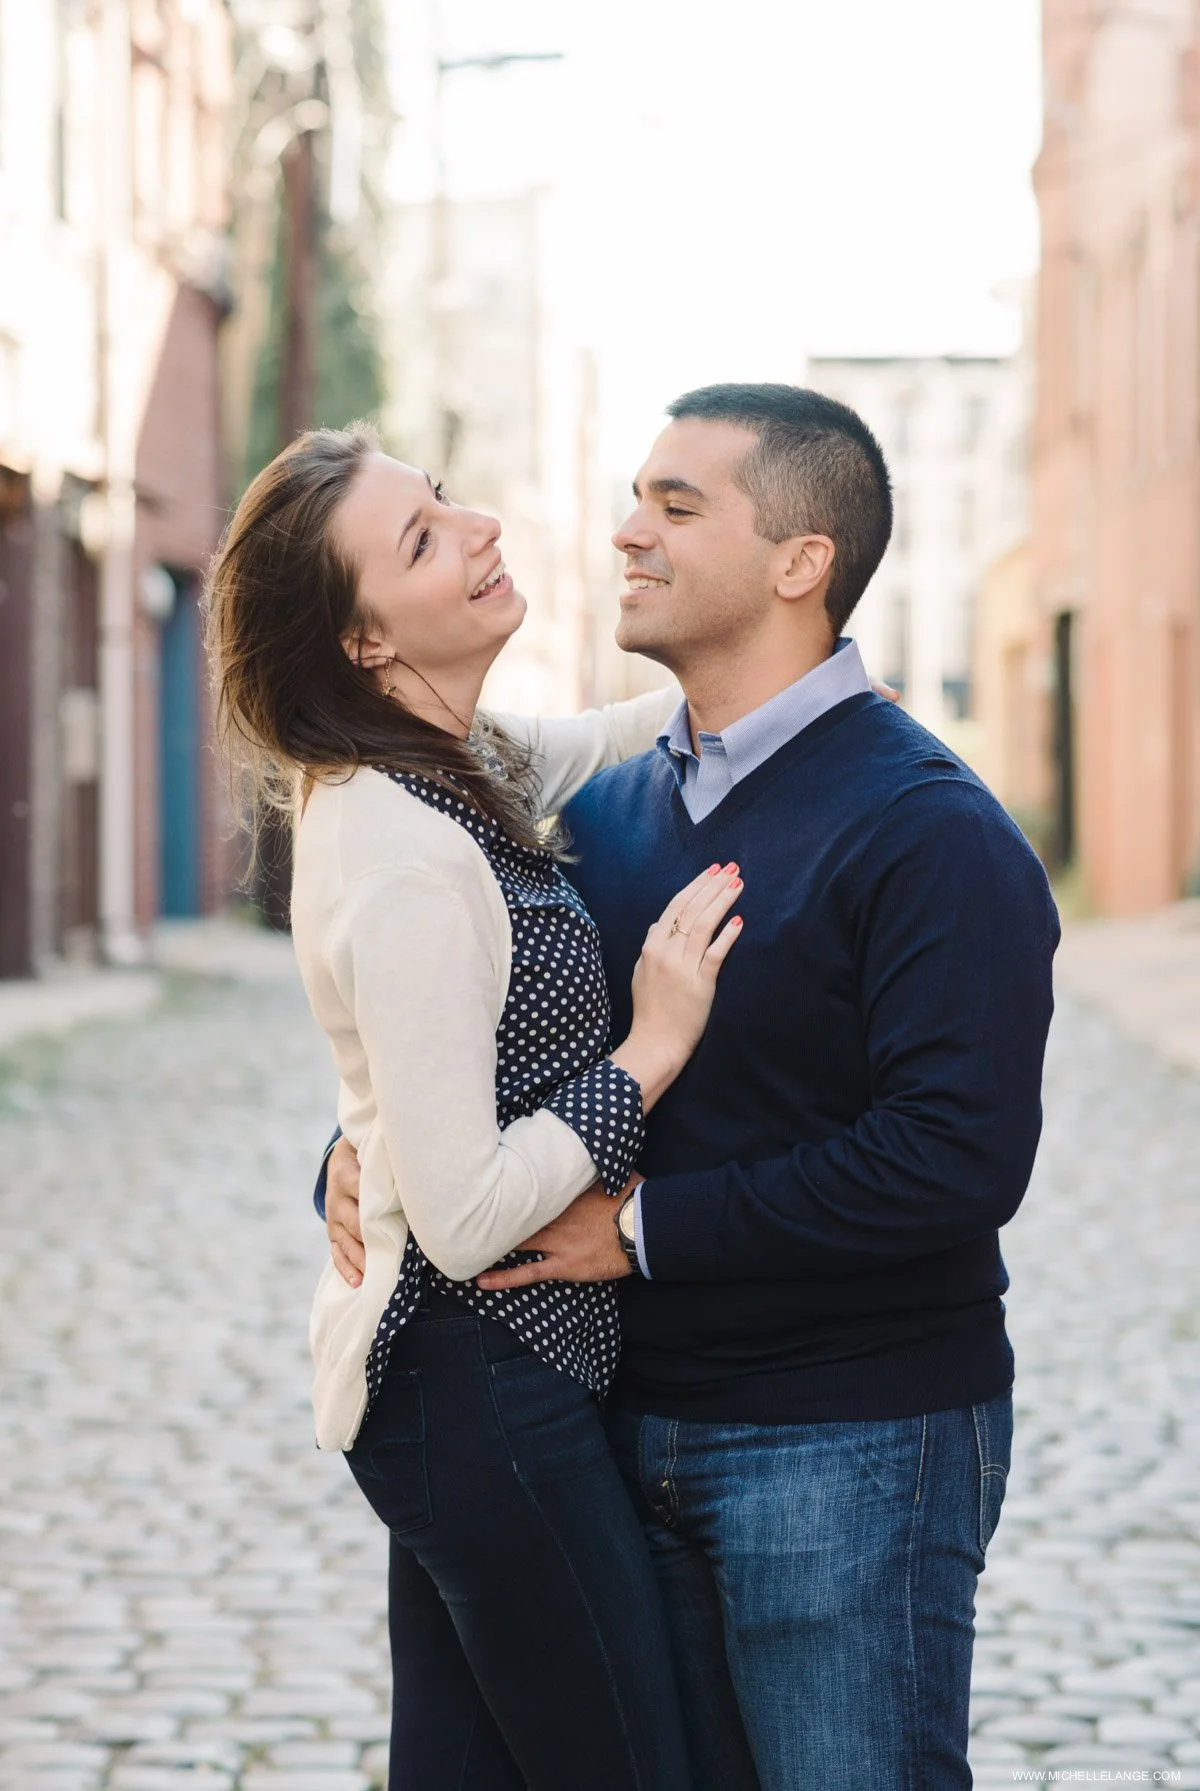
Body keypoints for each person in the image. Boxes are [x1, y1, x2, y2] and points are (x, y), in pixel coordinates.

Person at [325, 383, 1061, 1791]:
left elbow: (954, 1159)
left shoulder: (934, 833)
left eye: (677, 506)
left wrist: (644, 1229)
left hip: (849, 1442)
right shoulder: (601, 811)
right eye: (634, 500)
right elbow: (483, 1046)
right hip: (614, 1432)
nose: (626, 533)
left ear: (802, 561)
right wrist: (359, 1158)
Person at [203, 421, 751, 1791]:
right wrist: (652, 1049)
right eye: (424, 539)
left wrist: (778, 673)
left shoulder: (455, 759)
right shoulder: (396, 847)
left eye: (443, 500)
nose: (479, 526)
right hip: (476, 1387)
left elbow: (620, 734)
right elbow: (458, 1216)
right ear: (365, 645)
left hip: (480, 1392)